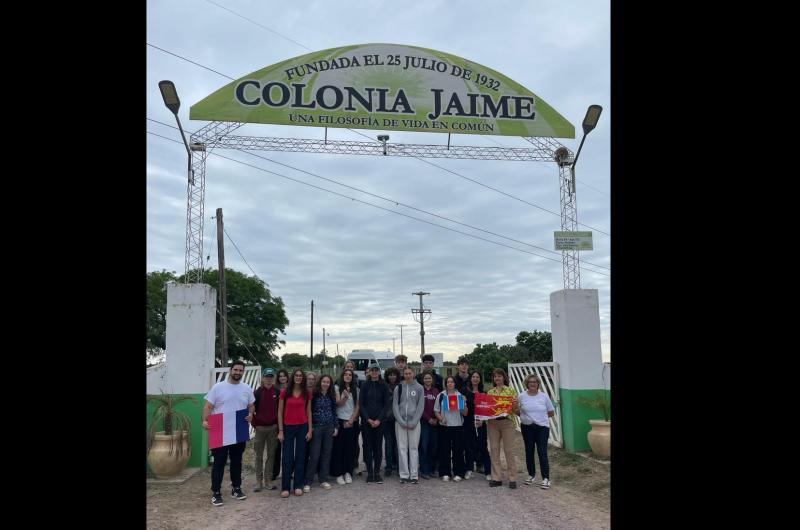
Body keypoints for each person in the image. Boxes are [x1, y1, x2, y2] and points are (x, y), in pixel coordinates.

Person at [201, 360, 255, 506]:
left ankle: (236, 488)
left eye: (240, 370)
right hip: (220, 431)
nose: (238, 372)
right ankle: (216, 492)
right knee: (219, 463)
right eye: (235, 370)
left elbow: (251, 405)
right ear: (230, 370)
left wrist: (251, 415)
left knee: (237, 462)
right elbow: (208, 406)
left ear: (243, 372)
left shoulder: (246, 388)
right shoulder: (218, 387)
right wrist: (204, 421)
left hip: (238, 431)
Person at [277, 369, 313, 498]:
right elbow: (280, 412)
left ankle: (298, 485)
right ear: (293, 377)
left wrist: (310, 429)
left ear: (303, 378)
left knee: (300, 456)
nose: (298, 377)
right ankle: (285, 487)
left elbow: (308, 412)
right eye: (296, 375)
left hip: (302, 426)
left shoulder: (306, 393)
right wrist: (280, 431)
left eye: (300, 376)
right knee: (287, 457)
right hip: (287, 427)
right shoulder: (284, 392)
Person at [483, 368, 520, 489]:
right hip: (493, 423)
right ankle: (496, 477)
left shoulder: (511, 391)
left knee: (509, 450)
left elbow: (516, 411)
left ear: (504, 377)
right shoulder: (490, 392)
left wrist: (515, 405)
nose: (497, 378)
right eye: (495, 376)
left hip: (507, 423)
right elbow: (487, 409)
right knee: (494, 450)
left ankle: (512, 478)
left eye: (499, 376)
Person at [519, 374, 555, 490]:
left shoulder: (544, 397)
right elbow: (517, 411)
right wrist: (527, 418)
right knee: (529, 451)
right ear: (527, 384)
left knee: (542, 452)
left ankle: (546, 478)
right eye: (530, 382)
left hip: (542, 428)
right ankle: (531, 475)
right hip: (527, 427)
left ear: (538, 384)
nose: (533, 384)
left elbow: (551, 412)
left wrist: (538, 419)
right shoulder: (521, 396)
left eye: (535, 382)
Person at [305, 374, 338, 491]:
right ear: (320, 382)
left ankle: (323, 479)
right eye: (324, 381)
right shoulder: (314, 395)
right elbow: (309, 411)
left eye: (328, 382)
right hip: (317, 428)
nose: (325, 384)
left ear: (330, 384)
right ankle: (308, 481)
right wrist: (311, 427)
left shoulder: (331, 395)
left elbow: (334, 412)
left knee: (326, 454)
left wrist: (336, 427)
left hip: (329, 427)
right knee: (314, 455)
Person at [359, 365, 391, 484]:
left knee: (378, 447)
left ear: (379, 372)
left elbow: (386, 404)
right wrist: (367, 419)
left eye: (376, 370)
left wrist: (378, 419)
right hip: (367, 422)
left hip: (380, 422)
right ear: (369, 372)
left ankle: (377, 472)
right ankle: (370, 472)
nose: (374, 372)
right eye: (372, 370)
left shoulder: (384, 385)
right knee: (367, 447)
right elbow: (361, 404)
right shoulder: (364, 385)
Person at [434, 376, 468, 482]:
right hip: (445, 426)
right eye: (448, 382)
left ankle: (458, 472)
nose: (450, 384)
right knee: (444, 450)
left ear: (455, 383)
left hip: (457, 426)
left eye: (452, 382)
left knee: (458, 450)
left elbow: (465, 413)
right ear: (445, 384)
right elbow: (436, 411)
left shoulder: (460, 396)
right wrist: (441, 419)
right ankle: (445, 472)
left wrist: (463, 403)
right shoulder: (441, 395)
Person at [393, 367, 424, 484]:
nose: (407, 375)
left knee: (413, 448)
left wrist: (414, 421)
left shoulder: (419, 388)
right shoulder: (398, 388)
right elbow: (395, 405)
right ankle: (404, 474)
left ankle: (414, 475)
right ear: (403, 374)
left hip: (414, 423)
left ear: (413, 374)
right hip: (400, 422)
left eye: (409, 373)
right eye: (405, 373)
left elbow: (421, 406)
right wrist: (400, 421)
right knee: (402, 448)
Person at [252, 368, 279, 492]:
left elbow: (280, 410)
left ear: (273, 378)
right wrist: (255, 424)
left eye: (270, 376)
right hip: (260, 428)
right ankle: (258, 481)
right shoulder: (257, 392)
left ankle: (268, 480)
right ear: (263, 378)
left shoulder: (277, 392)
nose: (269, 378)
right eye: (266, 376)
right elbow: (252, 410)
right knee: (258, 455)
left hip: (273, 427)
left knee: (271, 454)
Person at [330, 368, 359, 485]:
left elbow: (357, 407)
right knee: (339, 448)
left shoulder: (356, 389)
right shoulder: (337, 388)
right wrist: (344, 397)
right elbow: (338, 404)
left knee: (350, 448)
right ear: (342, 376)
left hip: (352, 421)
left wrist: (352, 419)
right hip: (340, 421)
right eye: (346, 374)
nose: (347, 376)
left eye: (350, 375)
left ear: (352, 377)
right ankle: (339, 473)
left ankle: (348, 472)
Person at [467, 370, 492, 480]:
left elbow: (487, 410)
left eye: (477, 377)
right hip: (469, 423)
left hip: (481, 423)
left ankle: (488, 471)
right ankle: (469, 469)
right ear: (470, 378)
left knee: (483, 447)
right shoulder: (465, 392)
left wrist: (482, 420)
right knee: (469, 447)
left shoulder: (484, 393)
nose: (475, 378)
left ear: (480, 379)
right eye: (473, 376)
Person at [418, 371, 439, 480]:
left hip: (435, 422)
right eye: (425, 378)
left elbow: (439, 406)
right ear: (423, 380)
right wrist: (428, 419)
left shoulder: (436, 391)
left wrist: (436, 419)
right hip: (424, 422)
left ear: (432, 380)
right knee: (424, 446)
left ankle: (432, 469)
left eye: (429, 378)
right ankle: (424, 470)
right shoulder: (420, 391)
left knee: (434, 446)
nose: (427, 380)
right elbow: (419, 407)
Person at [271, 368, 290, 482]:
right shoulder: (275, 389)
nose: (282, 378)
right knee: (277, 448)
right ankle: (275, 472)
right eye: (280, 376)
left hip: (289, 420)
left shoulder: (291, 389)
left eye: (284, 376)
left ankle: (288, 471)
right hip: (278, 420)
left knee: (288, 448)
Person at [382, 367, 401, 477]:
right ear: (387, 376)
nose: (392, 377)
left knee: (398, 444)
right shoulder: (384, 386)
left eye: (394, 375)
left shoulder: (401, 386)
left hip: (398, 419)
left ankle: (399, 467)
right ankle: (388, 467)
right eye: (390, 375)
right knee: (388, 444)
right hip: (386, 419)